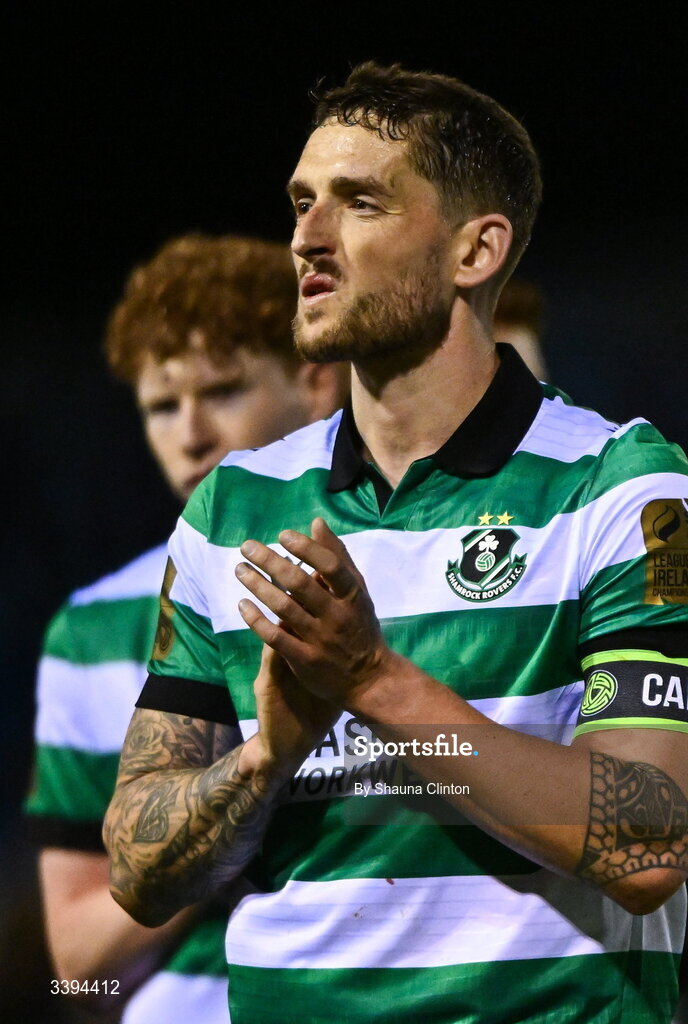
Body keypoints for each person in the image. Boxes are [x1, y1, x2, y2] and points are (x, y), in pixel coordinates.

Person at [104, 63, 688, 1024]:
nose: (306, 239)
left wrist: (371, 682)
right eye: (301, 203)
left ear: (475, 251)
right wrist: (265, 760)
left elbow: (650, 843)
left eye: (360, 203)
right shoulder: (232, 509)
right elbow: (135, 873)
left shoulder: (626, 492)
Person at [25, 233, 347, 1021]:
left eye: (225, 390)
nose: (190, 433)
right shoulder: (90, 631)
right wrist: (235, 815)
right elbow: (75, 968)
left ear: (314, 382)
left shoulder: (400, 573)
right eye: (162, 405)